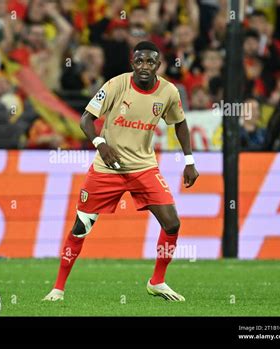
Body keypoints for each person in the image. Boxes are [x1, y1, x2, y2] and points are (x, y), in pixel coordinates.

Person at [43, 41, 199, 302]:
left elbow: (180, 123)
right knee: (81, 228)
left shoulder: (169, 92)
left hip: (143, 167)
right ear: (132, 63)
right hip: (107, 168)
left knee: (172, 223)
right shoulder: (117, 85)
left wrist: (190, 160)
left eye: (150, 62)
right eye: (139, 61)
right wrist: (100, 144)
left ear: (158, 65)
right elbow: (85, 119)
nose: (144, 66)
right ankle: (58, 288)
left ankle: (157, 282)